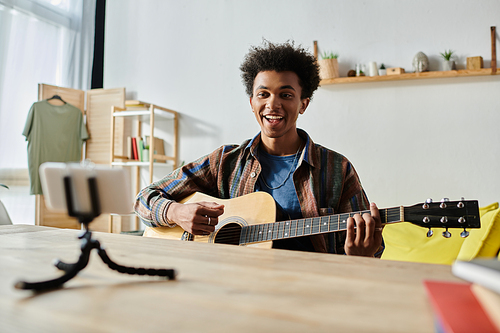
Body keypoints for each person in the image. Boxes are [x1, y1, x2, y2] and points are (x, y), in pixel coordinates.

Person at [134, 41, 384, 257]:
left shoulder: (337, 169)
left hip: (308, 292)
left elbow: (370, 249)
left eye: (286, 95)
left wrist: (360, 256)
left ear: (303, 104)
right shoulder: (224, 162)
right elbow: (144, 199)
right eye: (263, 94)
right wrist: (176, 212)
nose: (272, 104)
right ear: (252, 103)